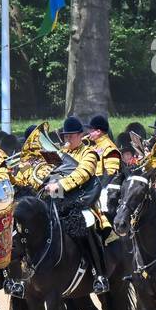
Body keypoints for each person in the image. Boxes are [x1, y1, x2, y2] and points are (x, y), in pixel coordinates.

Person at [42, 116, 109, 294]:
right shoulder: (62, 153)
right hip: (60, 200)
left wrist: (60, 184)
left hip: (83, 201)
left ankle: (99, 275)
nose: (68, 139)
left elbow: (83, 174)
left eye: (71, 136)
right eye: (66, 136)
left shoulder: (89, 153)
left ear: (81, 136)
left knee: (87, 224)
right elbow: (53, 174)